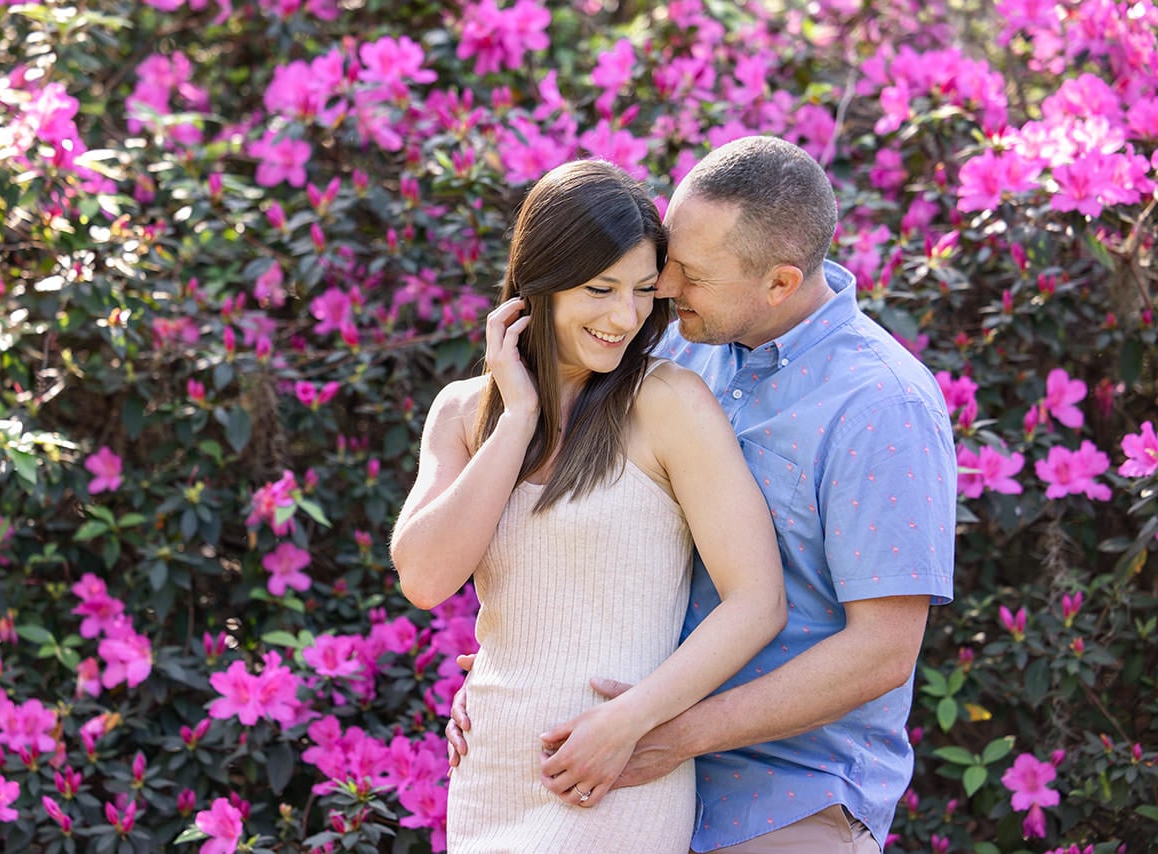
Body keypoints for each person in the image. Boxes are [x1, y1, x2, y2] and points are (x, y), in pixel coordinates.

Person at [447, 136, 958, 853]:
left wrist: (670, 735)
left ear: (779, 283)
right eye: (668, 263)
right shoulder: (676, 352)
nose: (662, 290)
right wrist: (526, 669)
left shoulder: (882, 405)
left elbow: (880, 653)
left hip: (785, 798)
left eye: (689, 273)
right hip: (618, 772)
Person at [390, 158, 787, 852]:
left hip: (613, 775)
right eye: (600, 289)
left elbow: (757, 601)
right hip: (490, 775)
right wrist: (517, 419)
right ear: (538, 281)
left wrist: (631, 720)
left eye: (642, 291)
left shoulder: (668, 405)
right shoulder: (463, 414)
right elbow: (425, 579)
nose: (624, 317)